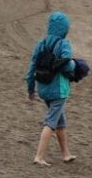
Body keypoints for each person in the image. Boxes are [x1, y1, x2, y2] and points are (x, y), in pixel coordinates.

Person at [25, 11, 77, 167]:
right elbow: (68, 64)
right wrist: (75, 66)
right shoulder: (63, 44)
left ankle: (66, 154)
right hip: (59, 90)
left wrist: (30, 89)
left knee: (60, 121)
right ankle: (39, 156)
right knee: (51, 122)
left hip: (43, 89)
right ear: (64, 29)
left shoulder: (41, 43)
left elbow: (31, 68)